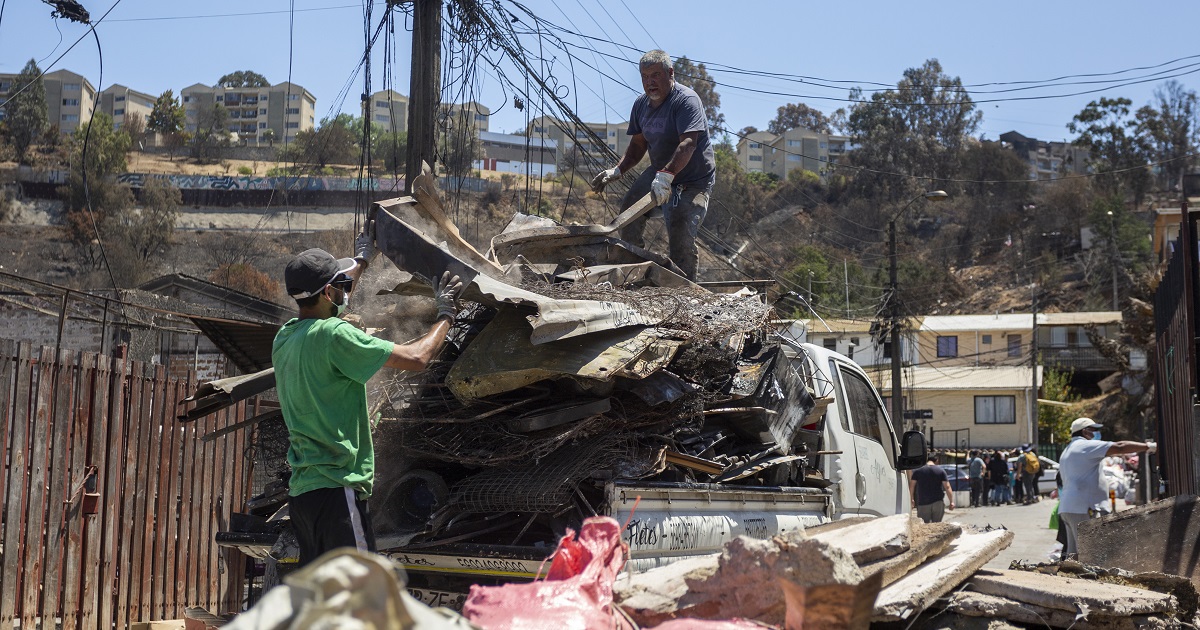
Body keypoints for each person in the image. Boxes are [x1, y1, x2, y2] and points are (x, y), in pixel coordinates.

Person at [273, 225, 464, 567]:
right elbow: (419, 357)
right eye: (340, 285)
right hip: (338, 493)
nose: (346, 290)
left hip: (303, 497)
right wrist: (446, 314)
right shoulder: (335, 335)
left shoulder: (286, 338)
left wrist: (363, 257)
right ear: (329, 291)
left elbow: (331, 305)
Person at [590, 49, 716, 281]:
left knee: (680, 228)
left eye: (656, 75)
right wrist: (617, 170)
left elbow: (688, 144)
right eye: (645, 77)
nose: (650, 82)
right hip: (659, 172)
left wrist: (667, 175)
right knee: (629, 214)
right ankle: (634, 274)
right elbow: (638, 144)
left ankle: (684, 290)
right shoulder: (641, 106)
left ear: (670, 73)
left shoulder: (686, 100)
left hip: (693, 180)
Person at [1058, 417, 1156, 558]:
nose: (1096, 434)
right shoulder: (1084, 446)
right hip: (1083, 507)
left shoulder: (1068, 450)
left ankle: (1070, 580)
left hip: (1069, 507)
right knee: (1089, 553)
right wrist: (1149, 447)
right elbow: (1120, 447)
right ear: (1085, 432)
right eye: (1094, 430)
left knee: (1074, 556)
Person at [910, 453, 955, 523]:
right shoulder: (941, 471)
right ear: (936, 460)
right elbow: (947, 486)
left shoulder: (918, 471)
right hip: (938, 502)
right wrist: (951, 501)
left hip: (923, 502)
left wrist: (912, 499)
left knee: (924, 527)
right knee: (937, 525)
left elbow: (912, 486)